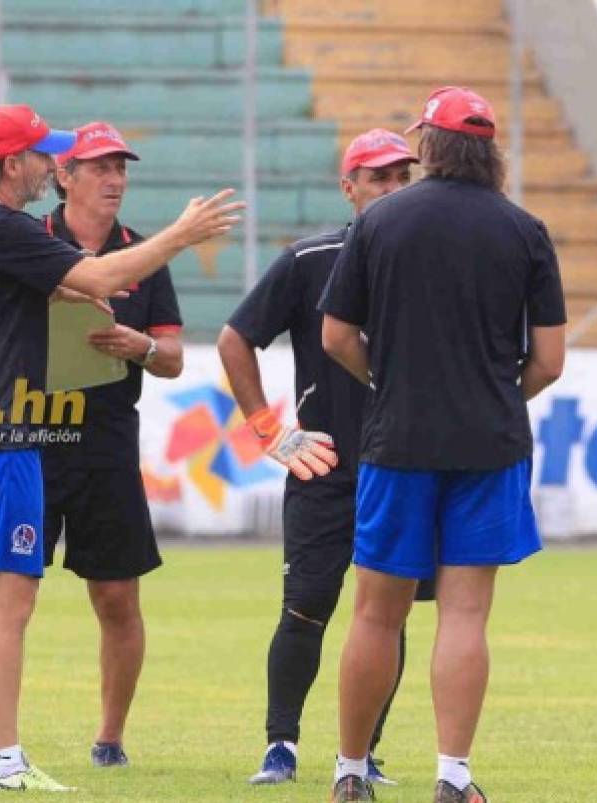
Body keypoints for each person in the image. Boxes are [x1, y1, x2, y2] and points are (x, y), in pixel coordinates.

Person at [0, 104, 243, 792]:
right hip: (3, 433)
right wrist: (181, 234)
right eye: (43, 156)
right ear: (12, 166)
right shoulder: (1, 225)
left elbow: (61, 288)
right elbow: (95, 279)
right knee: (12, 599)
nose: (49, 166)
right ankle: (2, 759)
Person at [318, 87, 568, 803]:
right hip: (489, 447)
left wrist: (389, 383)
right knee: (464, 614)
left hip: (398, 440)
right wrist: (493, 398)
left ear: (428, 145)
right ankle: (453, 776)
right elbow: (549, 360)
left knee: (375, 612)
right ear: (488, 150)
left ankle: (349, 771)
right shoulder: (525, 230)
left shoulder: (381, 221)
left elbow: (336, 334)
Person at [218, 129, 431, 788]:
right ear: (349, 188)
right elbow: (235, 340)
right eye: (378, 178)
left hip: (401, 467)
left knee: (388, 614)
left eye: (402, 177)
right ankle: (280, 744)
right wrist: (271, 430)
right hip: (326, 467)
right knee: (306, 607)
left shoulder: (433, 262)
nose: (393, 189)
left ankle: (363, 752)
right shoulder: (311, 259)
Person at [0, 121, 184, 771]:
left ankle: (110, 737)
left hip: (107, 442)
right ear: (63, 176)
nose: (115, 178)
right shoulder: (26, 241)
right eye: (99, 167)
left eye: (121, 167)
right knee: (10, 592)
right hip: (28, 433)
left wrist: (139, 346)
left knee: (118, 597)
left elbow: (173, 356)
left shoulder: (143, 256)